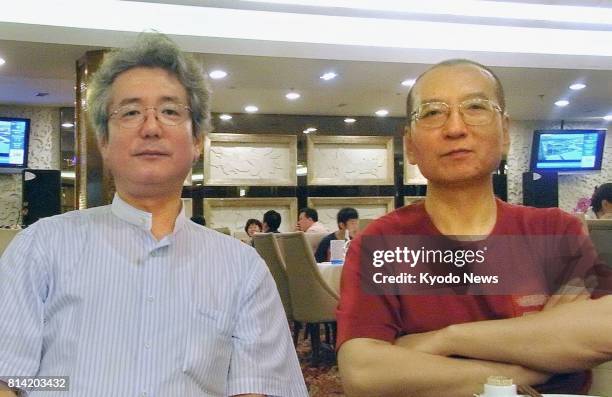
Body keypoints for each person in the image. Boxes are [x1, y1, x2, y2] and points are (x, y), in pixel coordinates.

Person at [0, 33, 307, 397]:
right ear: (104, 143)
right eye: (130, 112)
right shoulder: (40, 246)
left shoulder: (242, 269)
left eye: (170, 111)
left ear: (197, 142)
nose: (150, 127)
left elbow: (257, 388)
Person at [337, 59, 612, 397]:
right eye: (433, 112)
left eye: (476, 107)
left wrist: (447, 338)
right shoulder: (381, 244)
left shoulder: (554, 231)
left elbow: (603, 329)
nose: (455, 128)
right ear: (409, 146)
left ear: (506, 132)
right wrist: (528, 359)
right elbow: (363, 371)